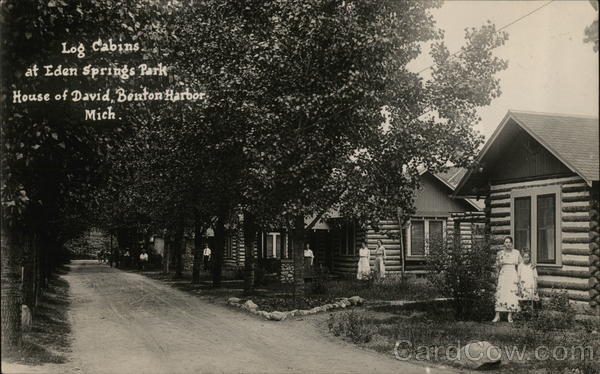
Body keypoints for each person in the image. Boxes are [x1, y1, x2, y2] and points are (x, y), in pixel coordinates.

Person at [492, 236, 522, 323]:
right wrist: (496, 277)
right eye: (506, 242)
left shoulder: (516, 253)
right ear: (504, 244)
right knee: (500, 293)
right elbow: (497, 266)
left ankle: (510, 315)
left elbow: (522, 264)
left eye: (509, 242)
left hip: (512, 274)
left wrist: (532, 264)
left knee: (511, 294)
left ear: (512, 243)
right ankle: (497, 316)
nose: (507, 244)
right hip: (503, 274)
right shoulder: (500, 253)